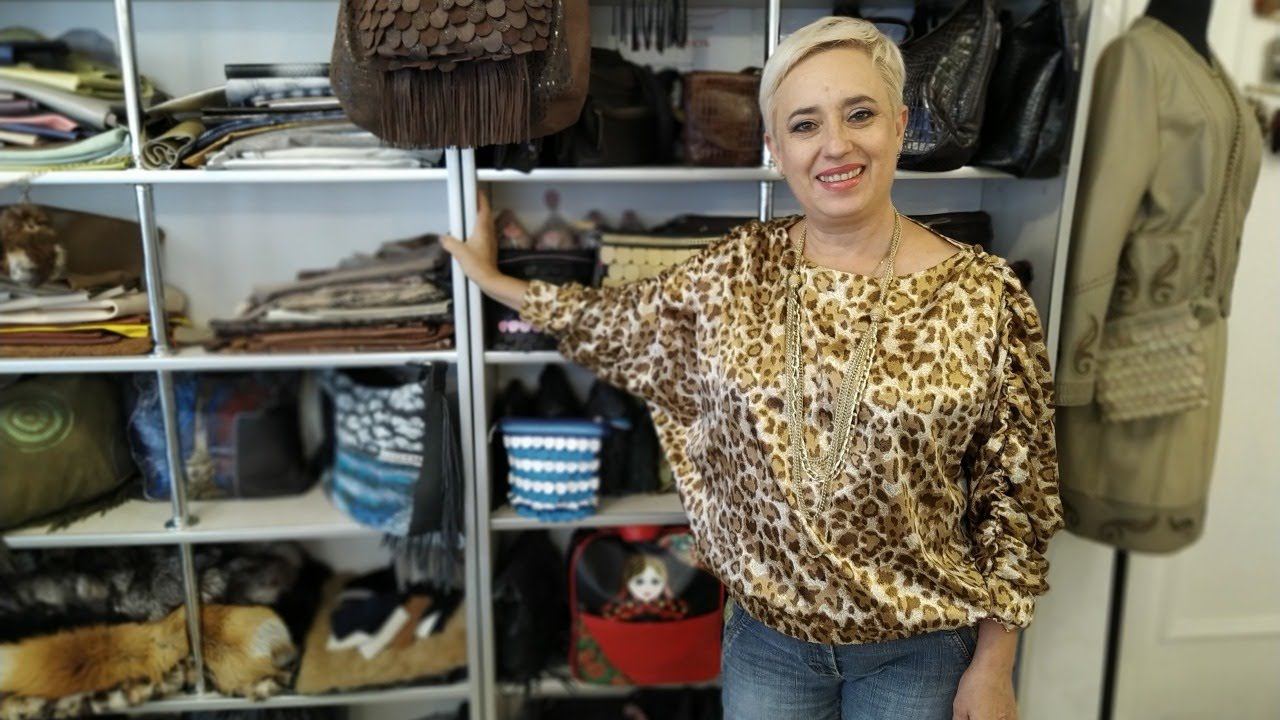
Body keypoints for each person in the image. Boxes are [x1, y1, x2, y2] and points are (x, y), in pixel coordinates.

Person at [443, 16, 1064, 720]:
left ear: (899, 125)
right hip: (770, 646)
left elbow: (1019, 496)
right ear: (776, 147)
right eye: (805, 125)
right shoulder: (737, 272)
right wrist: (495, 281)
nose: (835, 144)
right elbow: (617, 321)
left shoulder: (983, 296)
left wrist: (995, 666)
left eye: (859, 114)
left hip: (921, 650)